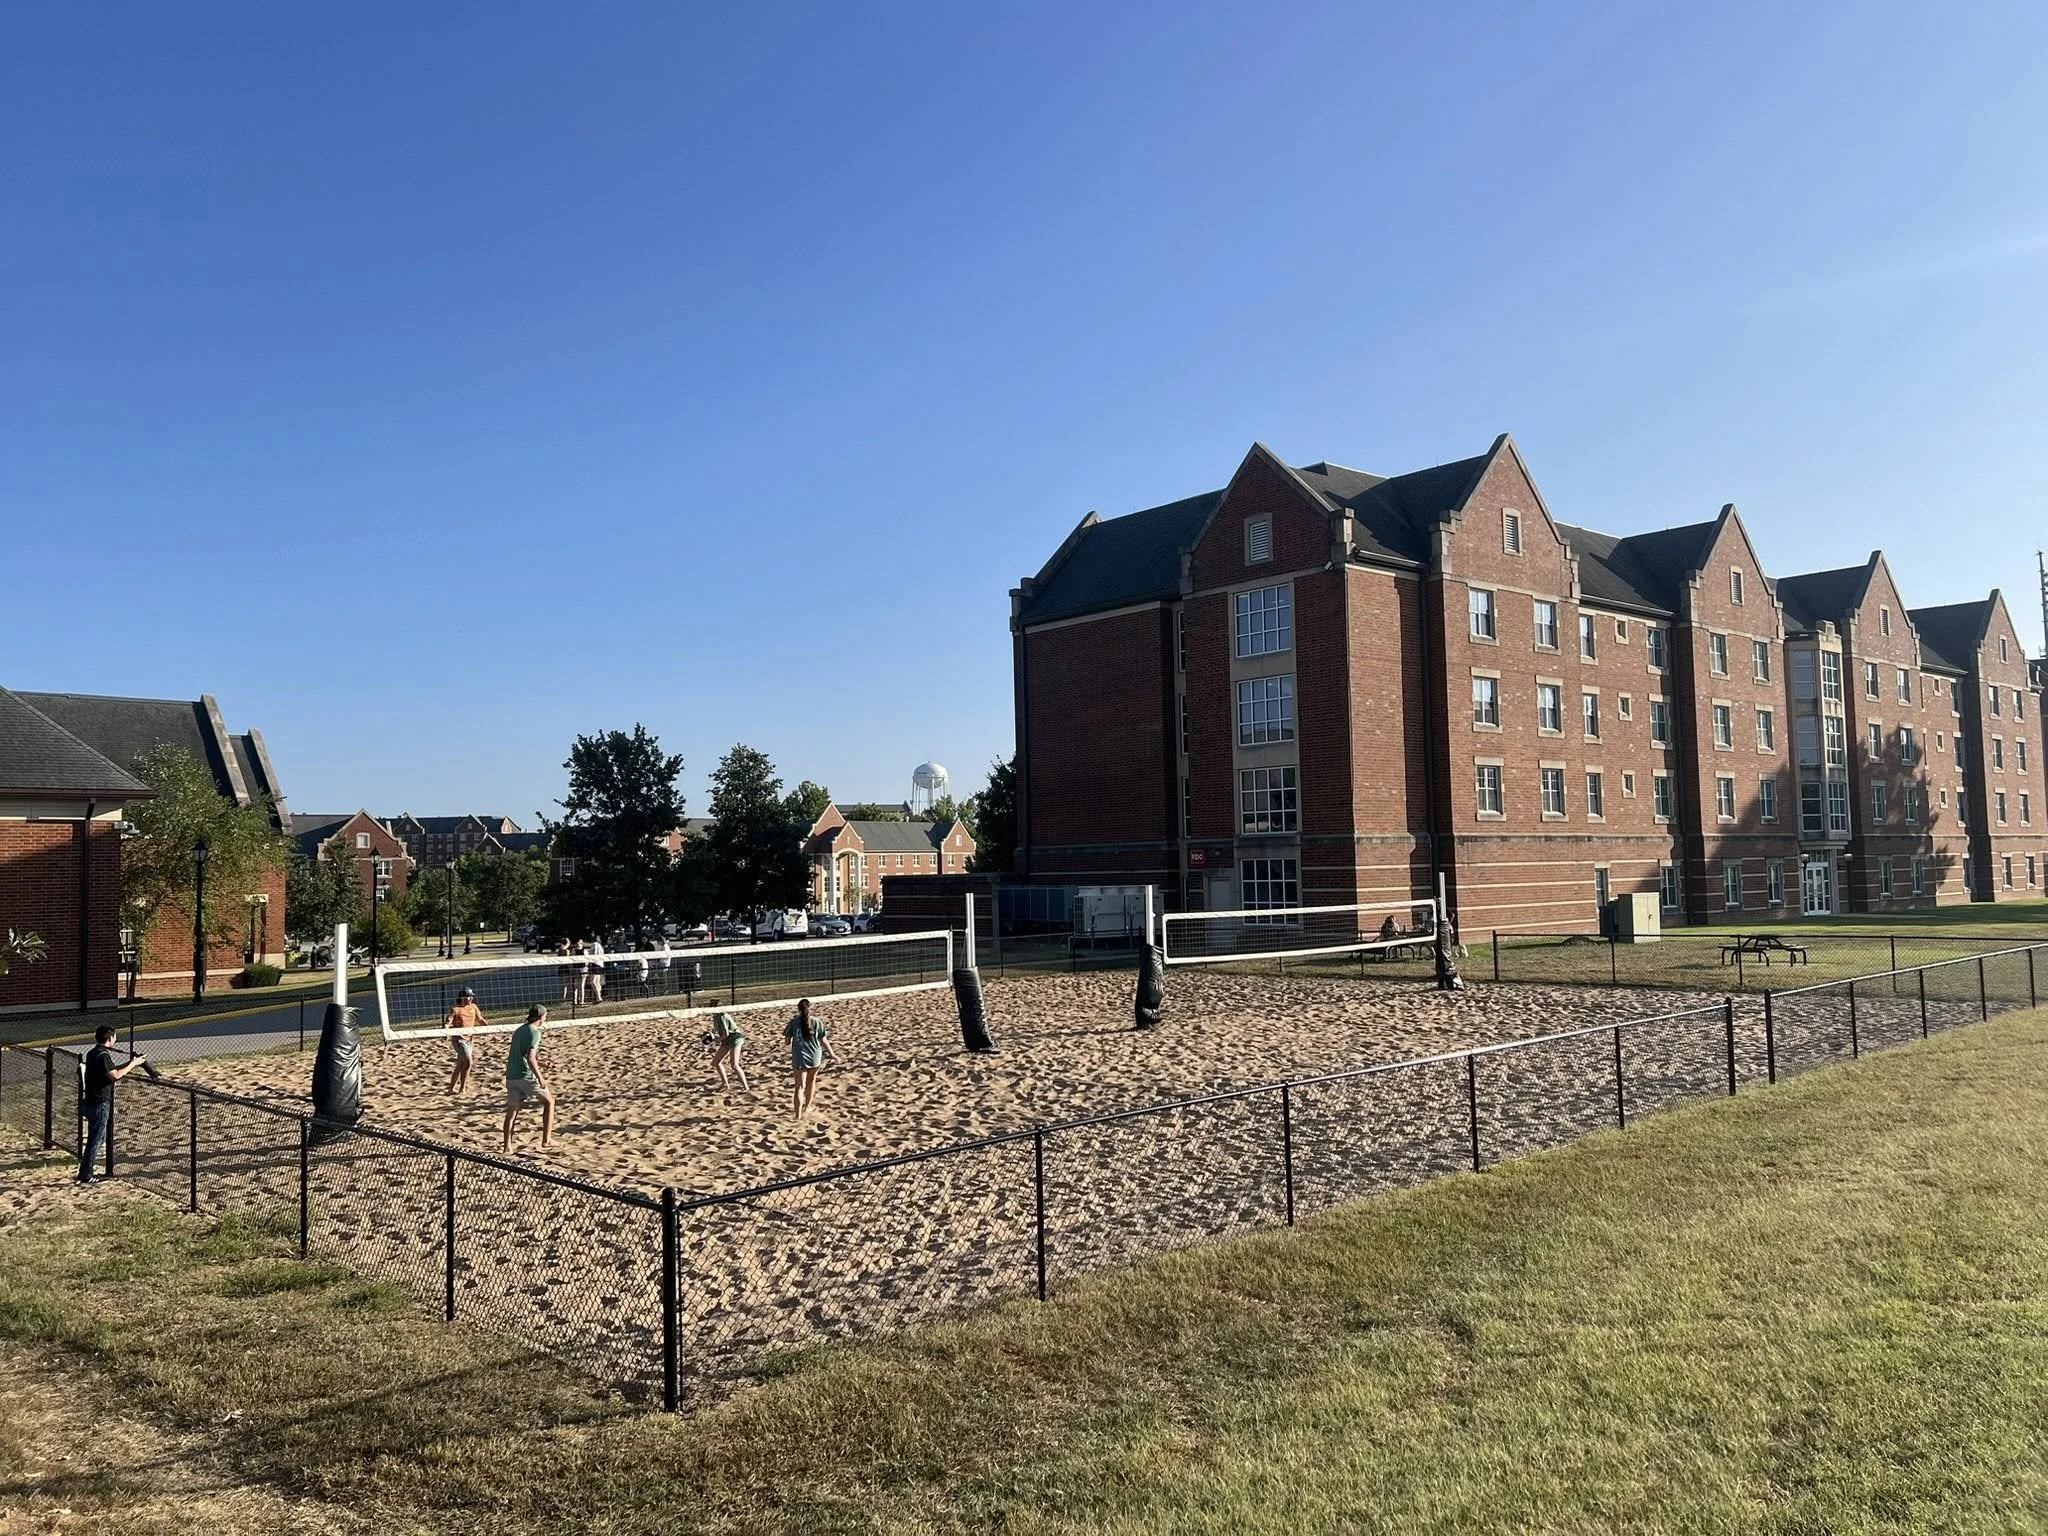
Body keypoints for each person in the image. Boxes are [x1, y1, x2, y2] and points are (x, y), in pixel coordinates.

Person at [79, 1025, 144, 1183]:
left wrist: (131, 1062)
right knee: (97, 1139)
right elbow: (115, 1075)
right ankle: (86, 1175)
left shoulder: (93, 1052)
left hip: (90, 1101)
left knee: (96, 1137)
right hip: (100, 1102)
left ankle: (86, 1172)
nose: (115, 1040)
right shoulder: (102, 1055)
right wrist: (133, 1065)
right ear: (110, 1039)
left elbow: (108, 1072)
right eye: (114, 1037)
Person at [502, 1003, 555, 1150]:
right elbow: (531, 1059)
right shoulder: (535, 1033)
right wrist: (541, 1078)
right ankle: (547, 1140)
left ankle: (507, 1147)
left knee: (512, 1111)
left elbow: (524, 1055)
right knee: (549, 1102)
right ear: (541, 1017)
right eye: (545, 1016)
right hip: (525, 1076)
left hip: (512, 1076)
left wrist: (542, 1063)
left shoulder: (519, 1030)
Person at [782, 997, 839, 1120]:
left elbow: (787, 1041)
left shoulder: (793, 1022)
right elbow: (823, 1040)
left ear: (798, 1009)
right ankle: (807, 1106)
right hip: (815, 1056)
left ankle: (797, 1115)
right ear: (810, 1009)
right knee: (811, 1081)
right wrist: (832, 1054)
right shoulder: (817, 1022)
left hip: (799, 1058)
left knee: (799, 1086)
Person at [445, 985, 484, 1096]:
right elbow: (449, 1020)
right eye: (468, 996)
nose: (470, 999)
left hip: (469, 1040)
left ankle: (450, 1089)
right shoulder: (456, 1009)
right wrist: (446, 1030)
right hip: (459, 1040)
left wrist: (493, 1028)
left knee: (461, 1064)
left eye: (471, 996)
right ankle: (462, 1089)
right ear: (462, 997)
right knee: (468, 1061)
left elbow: (480, 1019)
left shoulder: (474, 1007)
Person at [708, 1010, 748, 1090]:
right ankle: (725, 1084)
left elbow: (726, 1034)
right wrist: (710, 1034)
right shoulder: (715, 1015)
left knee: (734, 1065)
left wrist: (717, 1040)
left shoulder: (722, 1016)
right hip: (726, 1041)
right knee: (716, 1062)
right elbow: (716, 1028)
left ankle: (746, 1087)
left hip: (734, 1039)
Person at [586, 937, 606, 1004]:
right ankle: (598, 997)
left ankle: (599, 997)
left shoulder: (594, 944)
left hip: (595, 964)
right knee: (597, 982)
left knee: (593, 982)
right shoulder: (600, 946)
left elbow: (593, 953)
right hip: (600, 964)